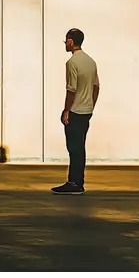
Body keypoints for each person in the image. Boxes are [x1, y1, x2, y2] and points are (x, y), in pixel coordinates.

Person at [51, 28, 100, 194]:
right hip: (86, 111)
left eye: (66, 40)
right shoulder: (90, 61)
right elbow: (96, 87)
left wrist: (66, 110)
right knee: (80, 147)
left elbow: (71, 90)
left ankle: (74, 183)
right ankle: (78, 181)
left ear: (71, 41)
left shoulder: (72, 63)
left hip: (76, 111)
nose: (65, 44)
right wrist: (91, 105)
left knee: (73, 147)